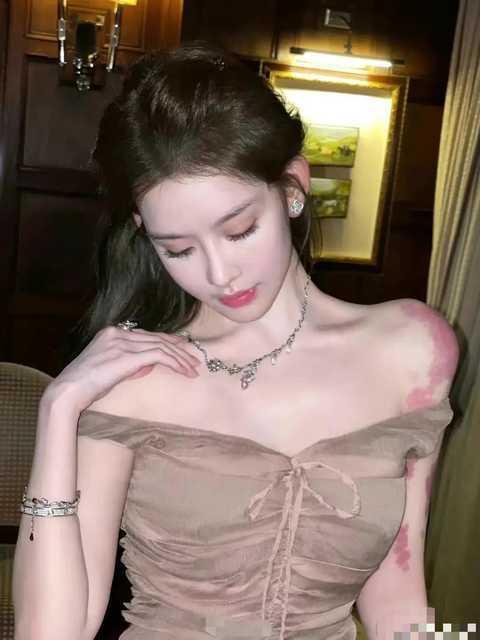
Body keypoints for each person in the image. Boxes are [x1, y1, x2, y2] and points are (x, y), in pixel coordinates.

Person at [12, 41, 459, 640]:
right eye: (179, 249)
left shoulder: (415, 350)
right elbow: (50, 632)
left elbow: (400, 598)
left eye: (240, 229)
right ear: (146, 235)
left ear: (293, 187)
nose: (220, 274)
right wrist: (58, 408)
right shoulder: (134, 382)